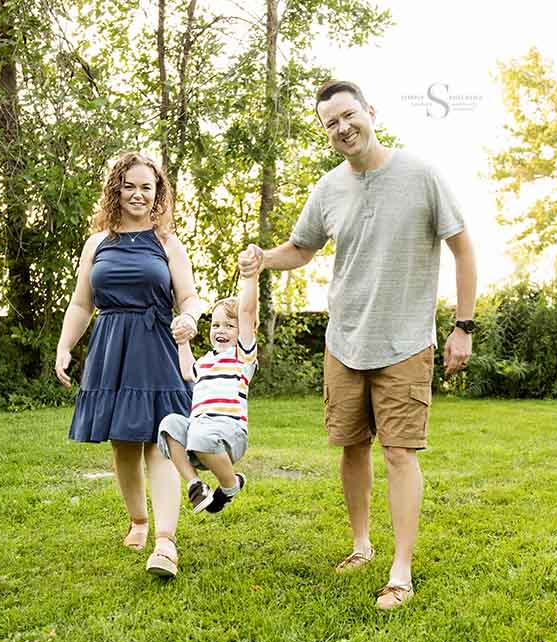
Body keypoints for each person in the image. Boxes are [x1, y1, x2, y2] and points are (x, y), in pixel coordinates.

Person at [238, 80, 477, 610]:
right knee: (351, 447)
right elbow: (301, 248)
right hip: (344, 341)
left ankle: (401, 571)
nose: (343, 128)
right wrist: (263, 258)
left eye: (350, 115)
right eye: (332, 123)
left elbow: (463, 249)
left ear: (371, 111)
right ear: (326, 132)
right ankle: (362, 545)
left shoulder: (421, 174)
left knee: (399, 452)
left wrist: (463, 326)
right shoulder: (328, 189)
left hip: (405, 341)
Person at [55, 152, 203, 579]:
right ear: (116, 190)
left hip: (157, 348)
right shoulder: (97, 243)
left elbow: (189, 297)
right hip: (111, 348)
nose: (138, 194)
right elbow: (81, 303)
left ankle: (165, 541)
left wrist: (190, 318)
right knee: (123, 443)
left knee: (162, 442)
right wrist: (65, 346)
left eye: (147, 187)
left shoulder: (167, 243)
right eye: (130, 186)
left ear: (158, 194)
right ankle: (138, 521)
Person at [156, 255, 259, 515]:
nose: (220, 330)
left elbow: (247, 312)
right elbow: (187, 372)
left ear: (244, 331)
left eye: (229, 325)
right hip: (200, 432)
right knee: (169, 424)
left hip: (229, 433)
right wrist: (182, 341)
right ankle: (195, 485)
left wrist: (250, 277)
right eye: (215, 325)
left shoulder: (242, 357)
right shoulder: (206, 361)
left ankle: (230, 485)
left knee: (200, 434)